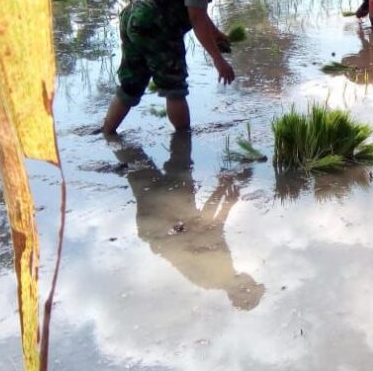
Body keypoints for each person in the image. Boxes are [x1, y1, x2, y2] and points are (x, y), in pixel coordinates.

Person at [101, 0, 250, 135]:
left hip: (134, 20)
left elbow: (196, 9)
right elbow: (196, 17)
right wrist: (218, 60)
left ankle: (107, 134)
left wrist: (216, 33)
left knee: (130, 85)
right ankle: (183, 147)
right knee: (175, 89)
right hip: (158, 28)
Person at [112, 132, 265, 311]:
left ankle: (112, 134)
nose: (252, 278)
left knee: (135, 162)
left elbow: (203, 225)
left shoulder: (214, 276)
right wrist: (224, 195)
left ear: (242, 289)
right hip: (171, 222)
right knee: (172, 164)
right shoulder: (224, 273)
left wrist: (223, 190)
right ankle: (117, 137)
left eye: (252, 283)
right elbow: (212, 227)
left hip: (160, 224)